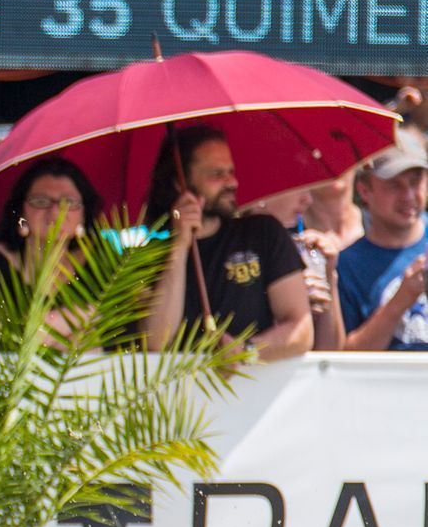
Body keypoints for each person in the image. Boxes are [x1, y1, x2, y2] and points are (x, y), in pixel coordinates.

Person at [142, 124, 311, 362]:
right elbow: (156, 342)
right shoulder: (151, 256)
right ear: (180, 184)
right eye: (216, 174)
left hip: (258, 391)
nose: (231, 182)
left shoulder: (263, 233)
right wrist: (179, 246)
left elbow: (301, 330)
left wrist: (246, 351)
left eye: (231, 171)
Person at [0, 156, 105, 333]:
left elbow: (122, 327)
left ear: (84, 212)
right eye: (41, 202)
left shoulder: (99, 256)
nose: (55, 213)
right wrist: (75, 320)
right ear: (21, 210)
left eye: (68, 202)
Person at [337, 137, 428, 352]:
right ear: (364, 191)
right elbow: (345, 358)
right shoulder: (346, 266)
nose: (408, 196)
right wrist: (402, 299)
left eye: (415, 182)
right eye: (394, 185)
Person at [243, 184, 343, 352]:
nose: (308, 199)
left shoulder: (301, 249)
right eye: (298, 188)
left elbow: (330, 351)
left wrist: (329, 277)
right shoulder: (234, 247)